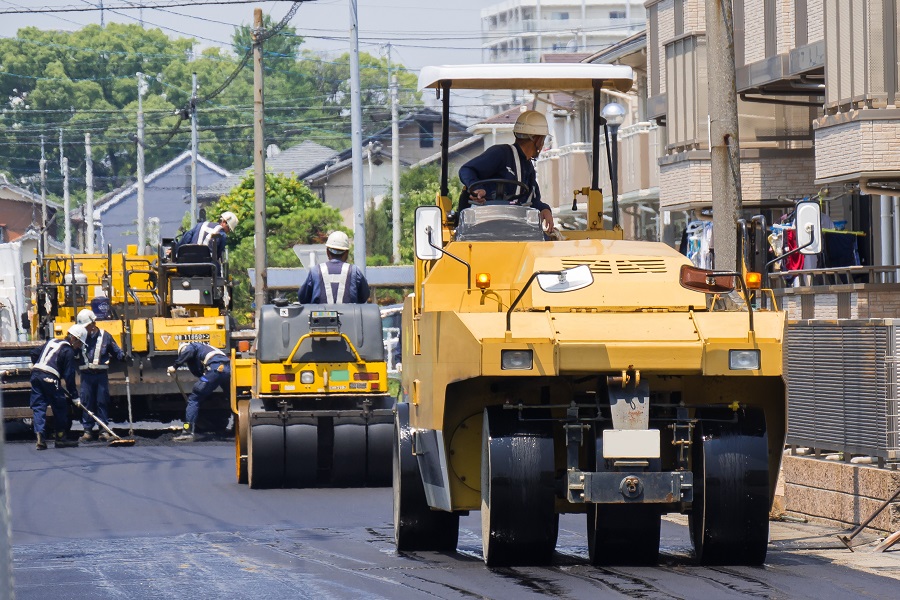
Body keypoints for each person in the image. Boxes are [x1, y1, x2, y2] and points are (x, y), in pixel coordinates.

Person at [457, 110, 555, 231]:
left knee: (545, 239)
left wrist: (544, 209)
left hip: (513, 226)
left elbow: (532, 200)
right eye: (543, 140)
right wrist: (476, 188)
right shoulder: (501, 153)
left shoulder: (528, 167)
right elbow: (467, 170)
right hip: (483, 223)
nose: (542, 145)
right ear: (537, 140)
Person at [29, 324, 87, 450]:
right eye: (80, 343)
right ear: (74, 339)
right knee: (60, 407)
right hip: (50, 377)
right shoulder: (68, 351)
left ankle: (40, 437)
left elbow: (34, 353)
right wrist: (75, 396)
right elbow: (69, 376)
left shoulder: (52, 341)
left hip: (36, 374)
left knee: (39, 406)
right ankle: (60, 438)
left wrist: (36, 364)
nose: (80, 347)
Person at [76, 309, 127, 442]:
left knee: (101, 401)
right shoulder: (79, 336)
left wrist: (123, 356)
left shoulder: (105, 336)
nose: (85, 329)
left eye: (86, 326)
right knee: (86, 402)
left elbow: (116, 351)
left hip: (100, 376)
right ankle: (87, 431)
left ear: (93, 323)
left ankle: (103, 430)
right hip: (86, 376)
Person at [167, 341, 231, 442]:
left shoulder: (191, 346)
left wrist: (175, 366)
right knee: (233, 398)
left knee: (193, 399)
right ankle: (238, 428)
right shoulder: (209, 349)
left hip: (215, 370)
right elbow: (198, 371)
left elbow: (189, 351)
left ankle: (187, 432)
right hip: (228, 370)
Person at [298, 231, 370, 304]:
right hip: (350, 315)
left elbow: (303, 298)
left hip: (320, 314)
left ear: (327, 252)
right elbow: (364, 296)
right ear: (346, 253)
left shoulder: (315, 271)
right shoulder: (354, 271)